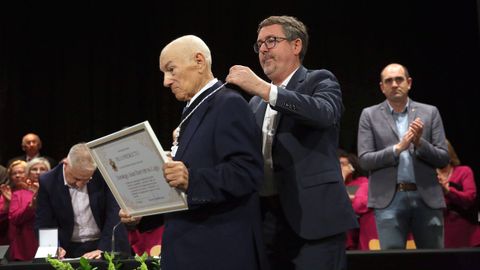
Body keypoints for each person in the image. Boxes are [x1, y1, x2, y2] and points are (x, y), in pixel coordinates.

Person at [119, 35, 267, 270]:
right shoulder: (193, 111)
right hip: (188, 248)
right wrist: (142, 214)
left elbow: (248, 172)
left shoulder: (228, 103)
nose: (166, 81)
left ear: (199, 61)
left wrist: (192, 178)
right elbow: (184, 194)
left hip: (218, 252)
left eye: (171, 69)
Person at [226, 15, 358, 270]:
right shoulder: (254, 104)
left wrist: (265, 90)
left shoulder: (319, 80)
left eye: (271, 41)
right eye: (259, 44)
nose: (263, 48)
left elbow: (324, 113)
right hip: (267, 222)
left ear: (296, 46)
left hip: (315, 220)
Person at [357, 63, 449, 249]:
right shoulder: (369, 115)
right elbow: (365, 160)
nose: (394, 84)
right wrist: (397, 149)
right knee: (393, 263)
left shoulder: (430, 112)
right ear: (382, 87)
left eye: (399, 79)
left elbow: (443, 158)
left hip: (426, 197)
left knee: (434, 262)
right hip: (388, 200)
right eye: (388, 81)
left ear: (409, 83)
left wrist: (419, 143)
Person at [35, 143, 130, 259]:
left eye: (87, 179)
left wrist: (103, 249)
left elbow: (114, 214)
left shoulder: (104, 174)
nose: (80, 184)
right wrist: (54, 248)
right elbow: (44, 222)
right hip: (69, 248)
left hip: (105, 242)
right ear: (65, 164)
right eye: (76, 178)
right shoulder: (48, 181)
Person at [437, 139, 480, 248]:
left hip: (466, 233)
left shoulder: (463, 171)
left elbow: (470, 198)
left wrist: (448, 191)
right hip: (439, 235)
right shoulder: (428, 175)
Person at [8, 158, 50, 261]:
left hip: (50, 240)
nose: (38, 172)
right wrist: (31, 207)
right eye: (34, 169)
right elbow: (14, 218)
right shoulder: (19, 194)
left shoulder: (54, 191)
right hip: (26, 244)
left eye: (42, 169)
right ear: (28, 173)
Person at [337, 149, 368, 250]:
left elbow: (361, 203)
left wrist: (343, 176)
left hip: (357, 224)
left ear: (352, 166)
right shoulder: (336, 184)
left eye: (342, 164)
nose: (339, 167)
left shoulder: (362, 182)